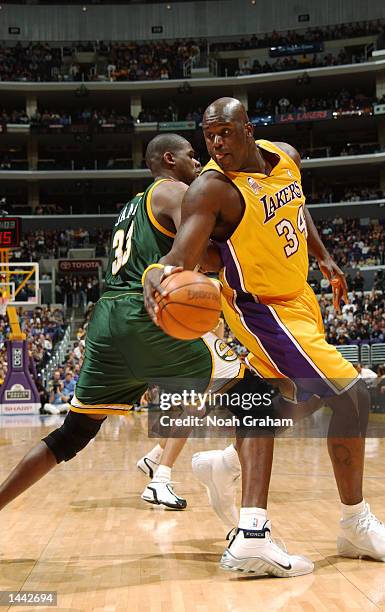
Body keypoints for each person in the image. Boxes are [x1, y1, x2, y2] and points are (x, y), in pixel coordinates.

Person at [144, 97, 385, 575]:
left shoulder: (285, 157)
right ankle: (354, 523)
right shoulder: (212, 190)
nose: (217, 144)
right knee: (353, 396)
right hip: (261, 309)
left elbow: (298, 212)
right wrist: (159, 274)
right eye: (209, 136)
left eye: (225, 132)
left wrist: (323, 257)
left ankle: (231, 473)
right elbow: (182, 254)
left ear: (247, 128)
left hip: (300, 295)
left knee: (283, 396)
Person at [0, 133, 247, 519]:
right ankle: (238, 504)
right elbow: (198, 254)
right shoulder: (177, 191)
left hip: (106, 319)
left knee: (73, 434)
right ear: (170, 159)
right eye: (191, 155)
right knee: (251, 382)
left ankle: (157, 463)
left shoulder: (130, 207)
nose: (197, 163)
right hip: (146, 311)